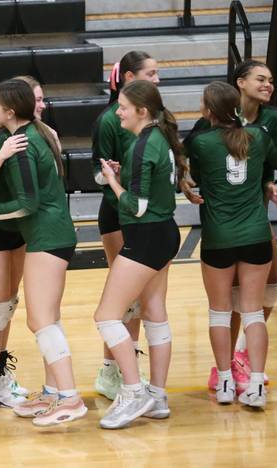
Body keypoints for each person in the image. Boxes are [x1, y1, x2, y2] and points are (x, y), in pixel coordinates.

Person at [0, 78, 86, 426]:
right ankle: (53, 392)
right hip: (53, 233)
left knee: (40, 319)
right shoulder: (41, 133)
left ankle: (69, 397)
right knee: (47, 316)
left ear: (9, 110)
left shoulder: (21, 142)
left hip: (46, 236)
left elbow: (27, 203)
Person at [184, 60, 277, 392]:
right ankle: (255, 384)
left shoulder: (200, 142)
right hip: (256, 234)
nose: (267, 84)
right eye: (261, 78)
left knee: (220, 312)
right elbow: (270, 159)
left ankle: (224, 380)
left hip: (218, 238)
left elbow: (191, 172)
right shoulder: (260, 135)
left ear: (209, 110)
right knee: (252, 311)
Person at [96, 80, 184, 429]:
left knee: (106, 316)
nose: (118, 111)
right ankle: (158, 396)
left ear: (142, 111)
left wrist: (113, 182)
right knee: (155, 313)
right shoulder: (158, 139)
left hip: (146, 236)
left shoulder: (141, 146)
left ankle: (133, 392)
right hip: (164, 233)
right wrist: (124, 176)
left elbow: (136, 207)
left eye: (124, 107)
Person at [0, 75, 47, 408]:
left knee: (9, 305)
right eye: (38, 99)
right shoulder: (0, 140)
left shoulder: (38, 136)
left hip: (19, 231)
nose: (42, 104)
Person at [91, 51, 159, 400]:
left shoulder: (157, 121)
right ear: (131, 78)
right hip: (118, 215)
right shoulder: (108, 121)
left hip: (148, 218)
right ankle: (110, 371)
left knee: (144, 302)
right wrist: (111, 175)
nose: (157, 78)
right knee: (125, 301)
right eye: (151, 73)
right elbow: (94, 172)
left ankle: (125, 366)